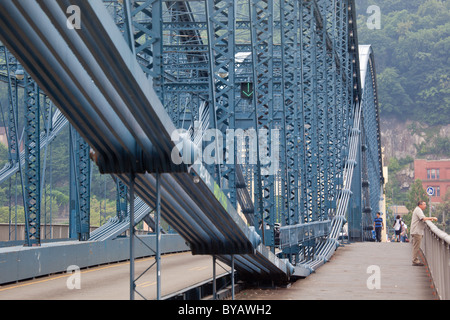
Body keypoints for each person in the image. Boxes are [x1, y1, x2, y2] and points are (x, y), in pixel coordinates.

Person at [410, 201, 438, 266]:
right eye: (424, 204)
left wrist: (429, 219)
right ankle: (415, 261)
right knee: (416, 246)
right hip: (417, 231)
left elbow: (423, 219)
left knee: (416, 246)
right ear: (420, 205)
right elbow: (423, 218)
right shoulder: (418, 210)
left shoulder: (418, 209)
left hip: (417, 231)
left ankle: (415, 260)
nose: (425, 205)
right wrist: (432, 218)